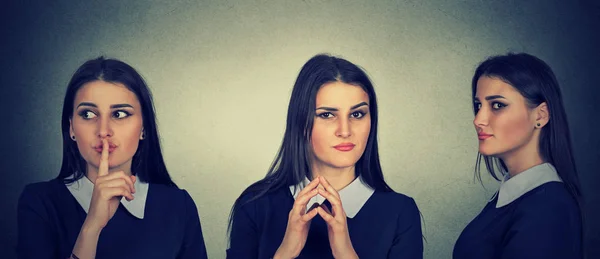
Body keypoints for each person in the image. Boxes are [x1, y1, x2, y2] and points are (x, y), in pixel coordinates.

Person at [227, 54, 423, 259]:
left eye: (357, 114)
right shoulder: (255, 205)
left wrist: (346, 254)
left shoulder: (400, 212)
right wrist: (284, 254)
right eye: (327, 115)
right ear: (302, 123)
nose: (345, 131)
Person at [17, 57, 208, 259]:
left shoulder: (178, 206)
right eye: (88, 115)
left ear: (143, 127)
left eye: (119, 114)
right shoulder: (40, 202)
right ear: (72, 127)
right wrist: (91, 228)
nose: (104, 130)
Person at [453, 53, 583, 258]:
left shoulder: (547, 208)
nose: (478, 120)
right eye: (478, 106)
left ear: (540, 115)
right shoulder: (513, 197)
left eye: (497, 105)